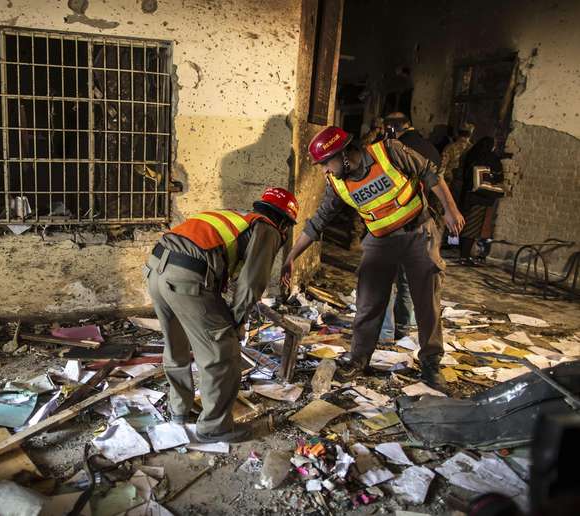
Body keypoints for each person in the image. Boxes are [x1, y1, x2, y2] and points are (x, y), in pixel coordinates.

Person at [281, 126, 464, 390]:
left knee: (427, 302)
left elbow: (430, 174)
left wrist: (451, 210)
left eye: (326, 163)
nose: (325, 171)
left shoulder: (389, 152)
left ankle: (431, 365)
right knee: (368, 302)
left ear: (343, 155)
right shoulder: (337, 183)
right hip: (380, 239)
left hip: (418, 231)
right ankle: (358, 360)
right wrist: (291, 257)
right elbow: (318, 221)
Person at [145, 188, 298, 443]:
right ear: (284, 222)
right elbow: (251, 285)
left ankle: (179, 411)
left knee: (176, 345)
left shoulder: (236, 218)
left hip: (156, 268)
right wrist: (235, 323)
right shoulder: (268, 228)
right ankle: (214, 428)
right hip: (186, 279)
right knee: (222, 354)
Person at [380, 113, 442, 340]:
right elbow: (438, 182)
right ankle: (404, 328)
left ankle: (385, 331)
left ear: (391, 129)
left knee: (385, 279)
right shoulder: (431, 149)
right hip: (422, 219)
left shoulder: (394, 149)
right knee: (408, 279)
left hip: (395, 220)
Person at [458, 136, 503, 265]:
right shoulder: (490, 158)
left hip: (467, 195)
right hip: (480, 198)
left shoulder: (472, 155)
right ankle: (465, 257)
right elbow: (498, 176)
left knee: (466, 225)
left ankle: (463, 254)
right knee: (472, 228)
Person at [439, 122, 475, 206]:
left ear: (458, 133)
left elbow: (442, 166)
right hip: (463, 184)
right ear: (470, 134)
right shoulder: (473, 149)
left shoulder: (450, 147)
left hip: (449, 181)